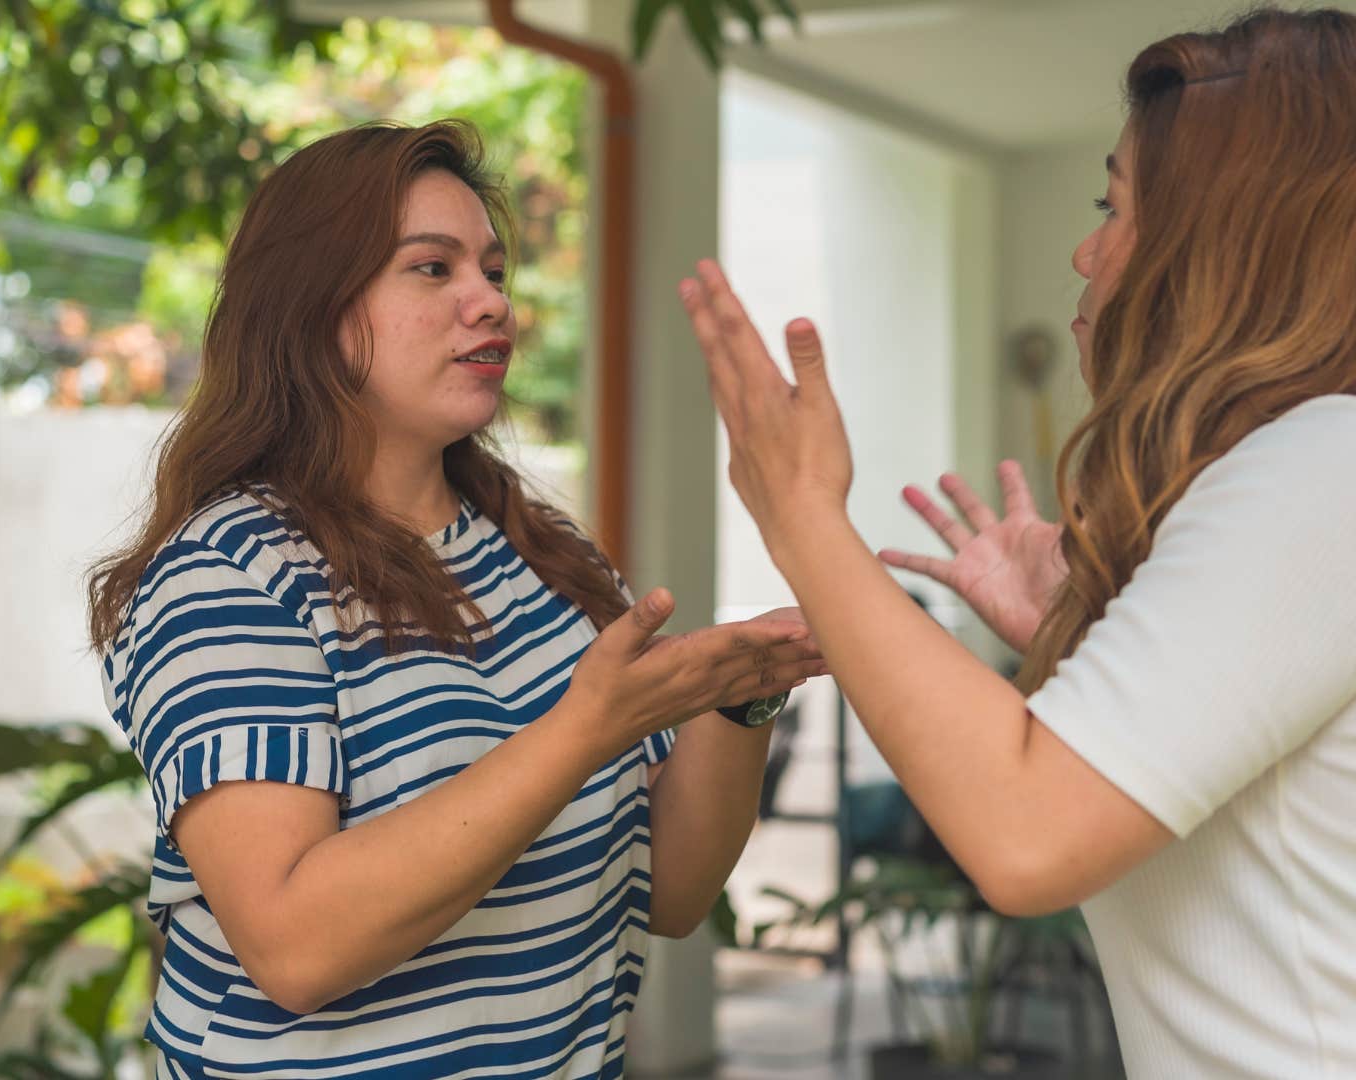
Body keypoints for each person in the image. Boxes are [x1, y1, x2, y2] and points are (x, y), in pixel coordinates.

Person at [679, 8, 1356, 1078]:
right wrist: (1083, 629)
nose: (1085, 249)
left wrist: (802, 515)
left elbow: (1026, 834)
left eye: (1117, 205)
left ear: (1240, 241)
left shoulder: (1341, 463)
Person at [86, 119, 822, 1079]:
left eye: (495, 270)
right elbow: (297, 948)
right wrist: (582, 731)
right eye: (433, 270)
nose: (491, 303)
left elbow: (674, 892)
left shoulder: (545, 553)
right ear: (310, 307)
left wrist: (743, 694)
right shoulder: (228, 572)